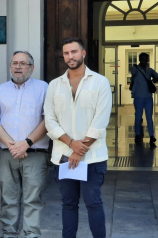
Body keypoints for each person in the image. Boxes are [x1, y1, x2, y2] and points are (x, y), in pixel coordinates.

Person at [44, 37, 112, 238]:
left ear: (83, 53)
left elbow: (100, 120)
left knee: (93, 203)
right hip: (65, 157)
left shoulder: (100, 82)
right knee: (69, 204)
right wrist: (72, 145)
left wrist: (79, 150)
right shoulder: (55, 85)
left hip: (92, 158)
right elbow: (50, 121)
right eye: (66, 53)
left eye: (74, 52)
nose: (69, 56)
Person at [0, 51, 49, 238]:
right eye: (15, 63)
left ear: (32, 67)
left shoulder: (43, 88)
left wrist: (26, 143)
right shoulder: (2, 89)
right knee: (8, 198)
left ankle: (31, 234)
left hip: (35, 153)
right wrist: (14, 145)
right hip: (7, 153)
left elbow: (49, 120)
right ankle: (9, 234)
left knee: (33, 199)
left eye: (23, 63)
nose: (18, 67)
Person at [131, 52, 158, 145]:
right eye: (143, 59)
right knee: (138, 118)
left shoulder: (149, 70)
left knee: (149, 118)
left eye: (146, 59)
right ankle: (137, 134)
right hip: (138, 97)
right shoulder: (136, 69)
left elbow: (157, 76)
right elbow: (133, 73)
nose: (145, 61)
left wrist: (155, 79)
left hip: (148, 98)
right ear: (140, 60)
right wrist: (135, 67)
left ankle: (151, 136)